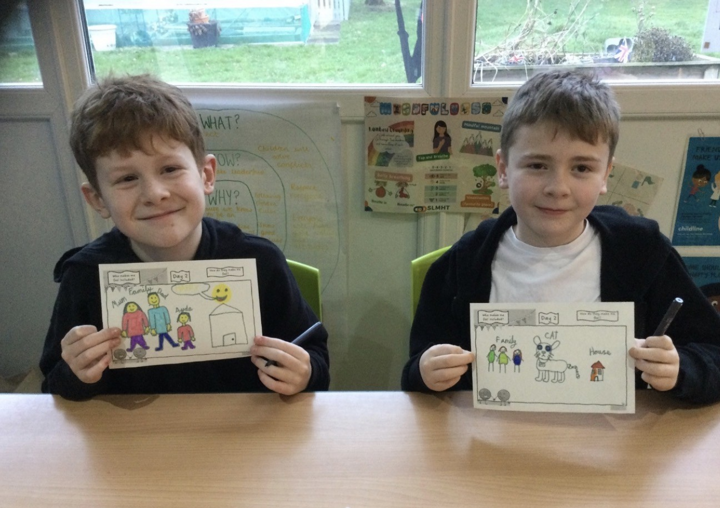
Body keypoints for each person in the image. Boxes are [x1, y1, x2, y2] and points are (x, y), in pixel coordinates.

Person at [401, 70, 720, 404]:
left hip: (612, 434)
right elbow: (415, 374)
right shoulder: (463, 264)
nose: (558, 188)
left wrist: (681, 368)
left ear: (605, 175)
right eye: (537, 165)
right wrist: (425, 372)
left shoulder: (643, 253)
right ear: (503, 169)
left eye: (581, 168)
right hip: (494, 430)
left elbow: (712, 353)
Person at [40, 74, 329, 400]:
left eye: (169, 169)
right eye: (127, 178)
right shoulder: (84, 277)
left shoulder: (261, 262)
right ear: (97, 199)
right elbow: (53, 388)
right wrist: (76, 375)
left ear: (206, 175)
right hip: (133, 432)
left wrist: (305, 373)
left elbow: (315, 356)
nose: (155, 193)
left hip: (246, 428)